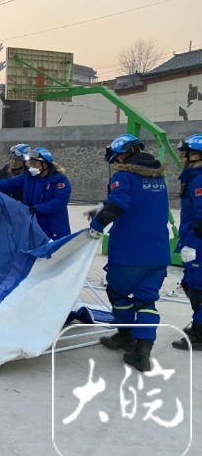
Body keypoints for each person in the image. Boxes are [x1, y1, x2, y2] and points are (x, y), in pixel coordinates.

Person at [88, 133, 170, 372]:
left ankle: (125, 337)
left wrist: (96, 227)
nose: (116, 163)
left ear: (124, 154)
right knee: (147, 300)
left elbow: (119, 204)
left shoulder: (124, 176)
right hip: (158, 254)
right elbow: (137, 201)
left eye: (117, 158)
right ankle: (142, 352)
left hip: (129, 253)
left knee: (119, 294)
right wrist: (101, 207)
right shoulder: (159, 178)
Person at [0, 146, 72, 240]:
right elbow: (11, 182)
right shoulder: (29, 177)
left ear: (44, 165)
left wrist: (38, 208)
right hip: (34, 224)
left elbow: (60, 201)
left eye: (34, 164)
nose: (31, 167)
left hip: (53, 227)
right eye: (31, 164)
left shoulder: (59, 181)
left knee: (55, 252)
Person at [172, 134, 202, 351]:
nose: (181, 158)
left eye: (185, 154)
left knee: (197, 287)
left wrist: (192, 244)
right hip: (192, 239)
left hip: (198, 243)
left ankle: (200, 333)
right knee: (189, 284)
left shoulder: (200, 180)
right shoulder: (192, 177)